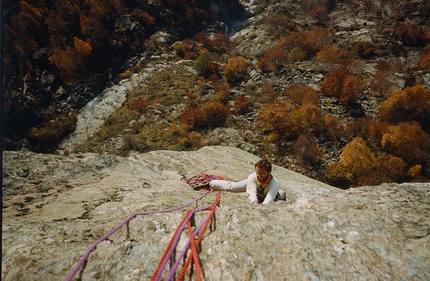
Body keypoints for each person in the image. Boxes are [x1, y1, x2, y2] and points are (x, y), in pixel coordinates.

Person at [195, 159, 286, 205]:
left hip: (267, 193)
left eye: (262, 174)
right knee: (232, 187)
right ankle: (211, 183)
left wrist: (260, 208)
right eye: (257, 173)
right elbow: (251, 191)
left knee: (278, 196)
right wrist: (254, 202)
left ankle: (281, 195)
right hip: (256, 188)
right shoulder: (253, 177)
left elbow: (269, 200)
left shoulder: (274, 184)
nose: (259, 176)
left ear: (269, 173)